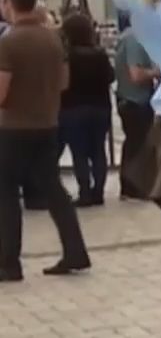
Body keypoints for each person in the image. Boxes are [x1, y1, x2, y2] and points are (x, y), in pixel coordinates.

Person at [0, 0, 91, 281]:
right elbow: (64, 82)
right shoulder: (54, 40)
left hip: (13, 128)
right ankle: (75, 250)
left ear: (10, 4)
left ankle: (8, 263)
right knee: (54, 190)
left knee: (7, 194)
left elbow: (2, 92)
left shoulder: (8, 43)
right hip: (47, 124)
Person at [57, 14, 113, 207]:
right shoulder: (100, 54)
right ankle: (99, 192)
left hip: (73, 108)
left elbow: (62, 84)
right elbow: (110, 77)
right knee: (98, 150)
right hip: (100, 106)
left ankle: (85, 192)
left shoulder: (67, 56)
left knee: (79, 152)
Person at [115, 18, 161, 201]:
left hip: (132, 99)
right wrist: (157, 72)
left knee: (135, 143)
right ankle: (133, 187)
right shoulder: (135, 40)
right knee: (138, 144)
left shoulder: (128, 36)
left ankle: (132, 186)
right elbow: (136, 74)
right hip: (136, 100)